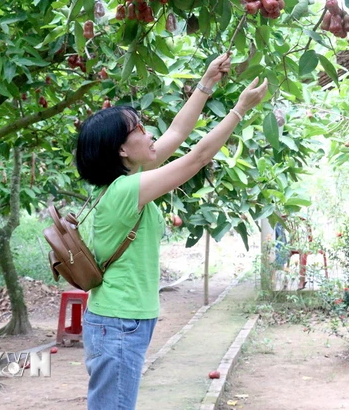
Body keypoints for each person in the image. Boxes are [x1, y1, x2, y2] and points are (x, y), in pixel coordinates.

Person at [74, 53, 267, 410]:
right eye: (139, 130)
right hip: (118, 324)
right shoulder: (124, 192)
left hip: (124, 321)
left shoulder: (127, 179)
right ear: (121, 148)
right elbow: (196, 158)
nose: (149, 134)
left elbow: (179, 132)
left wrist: (207, 84)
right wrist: (239, 109)